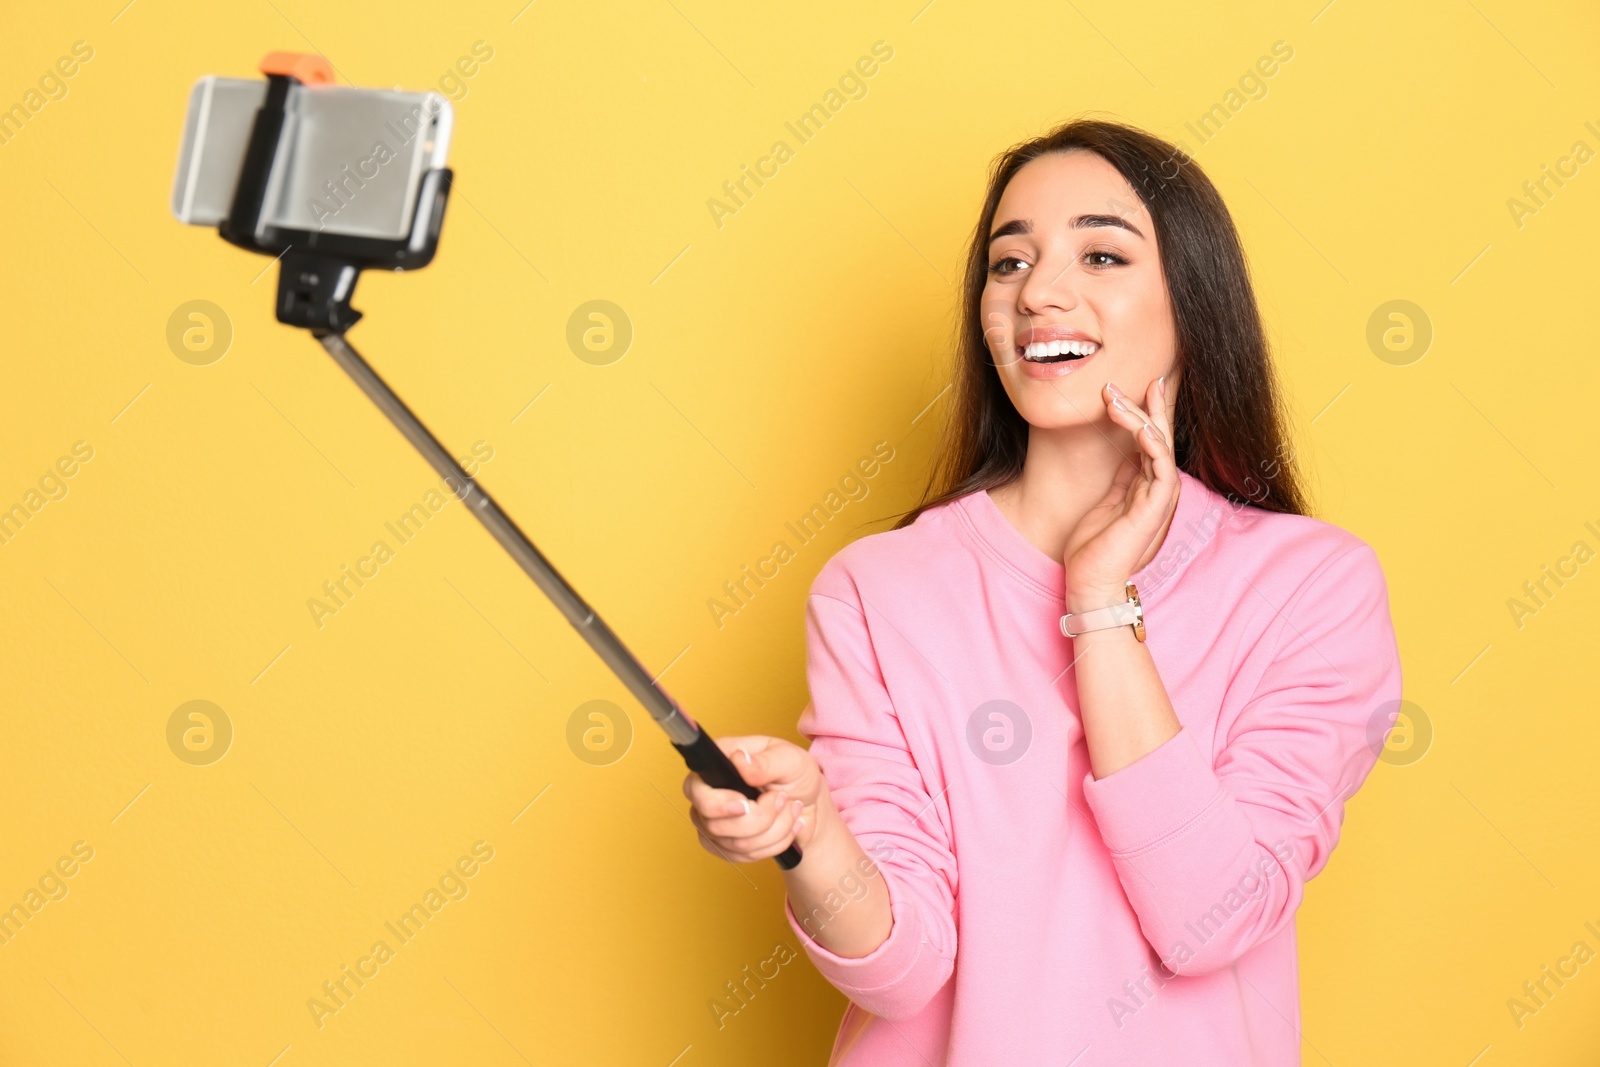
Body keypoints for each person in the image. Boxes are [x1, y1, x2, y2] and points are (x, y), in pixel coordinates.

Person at [680, 117, 1403, 1065]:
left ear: (1195, 303)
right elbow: (902, 972)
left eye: (1102, 254)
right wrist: (810, 831)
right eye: (1008, 264)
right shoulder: (875, 591)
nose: (1040, 294)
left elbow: (1209, 920)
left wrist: (1099, 600)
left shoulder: (1313, 586)